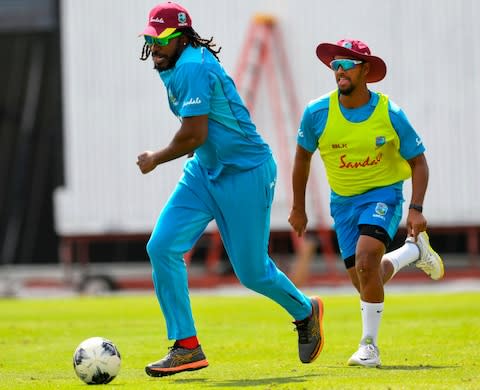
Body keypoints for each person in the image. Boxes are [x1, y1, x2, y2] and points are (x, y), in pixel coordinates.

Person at [136, 2, 324, 377]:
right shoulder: (172, 62)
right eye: (150, 39)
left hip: (246, 173)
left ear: (182, 37)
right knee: (161, 246)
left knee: (252, 273)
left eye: (162, 40)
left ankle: (306, 311)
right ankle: (186, 346)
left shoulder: (192, 66)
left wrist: (155, 157)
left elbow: (194, 134)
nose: (154, 47)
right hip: (205, 170)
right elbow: (199, 139)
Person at [288, 39, 444, 368]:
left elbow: (419, 162)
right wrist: (298, 208)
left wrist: (415, 208)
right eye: (335, 64)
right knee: (365, 277)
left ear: (366, 70)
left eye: (348, 63)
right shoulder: (317, 113)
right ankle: (414, 252)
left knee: (365, 259)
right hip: (343, 204)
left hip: (383, 195)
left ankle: (368, 346)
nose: (340, 70)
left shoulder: (390, 113)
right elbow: (302, 159)